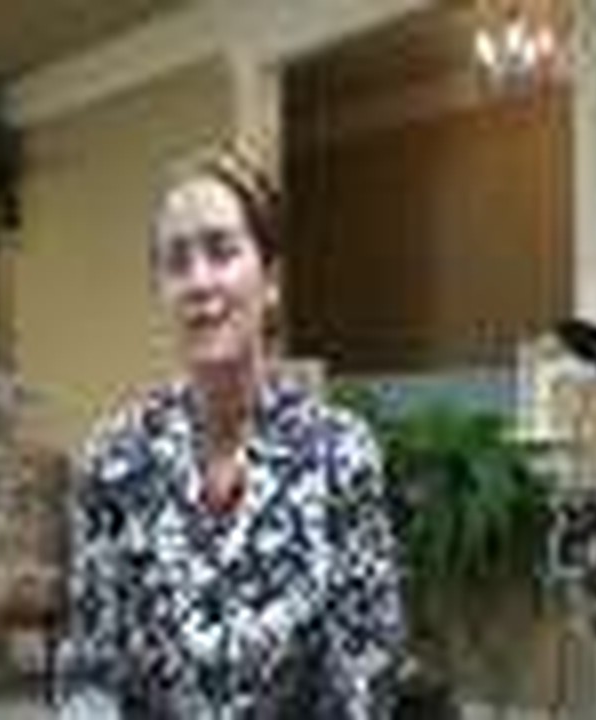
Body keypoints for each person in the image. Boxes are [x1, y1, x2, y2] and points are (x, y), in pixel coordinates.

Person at [56, 146, 405, 719]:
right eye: (177, 261)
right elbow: (89, 673)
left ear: (270, 280)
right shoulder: (114, 458)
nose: (199, 281)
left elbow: (365, 676)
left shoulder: (342, 455)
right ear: (161, 290)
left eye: (221, 251)